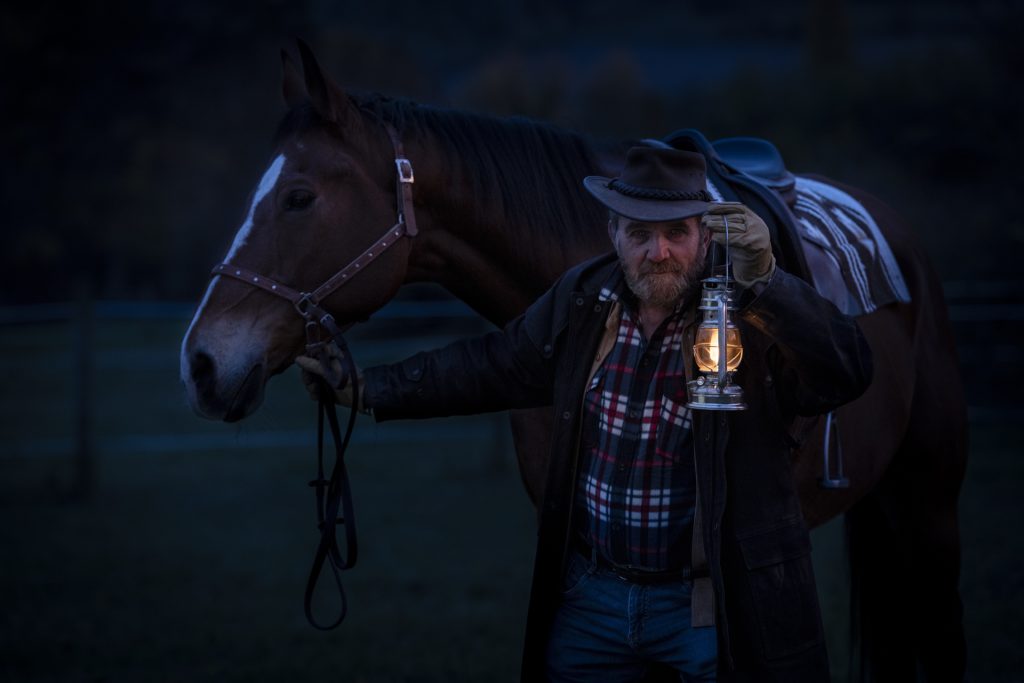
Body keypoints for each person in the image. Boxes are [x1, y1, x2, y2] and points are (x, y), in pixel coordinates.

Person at [296, 147, 873, 682]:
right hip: (591, 598)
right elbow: (496, 364)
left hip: (707, 605)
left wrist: (769, 281)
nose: (660, 251)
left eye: (677, 233)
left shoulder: (745, 309)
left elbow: (844, 371)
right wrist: (369, 388)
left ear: (703, 236)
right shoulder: (583, 298)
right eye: (640, 234)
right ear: (613, 233)